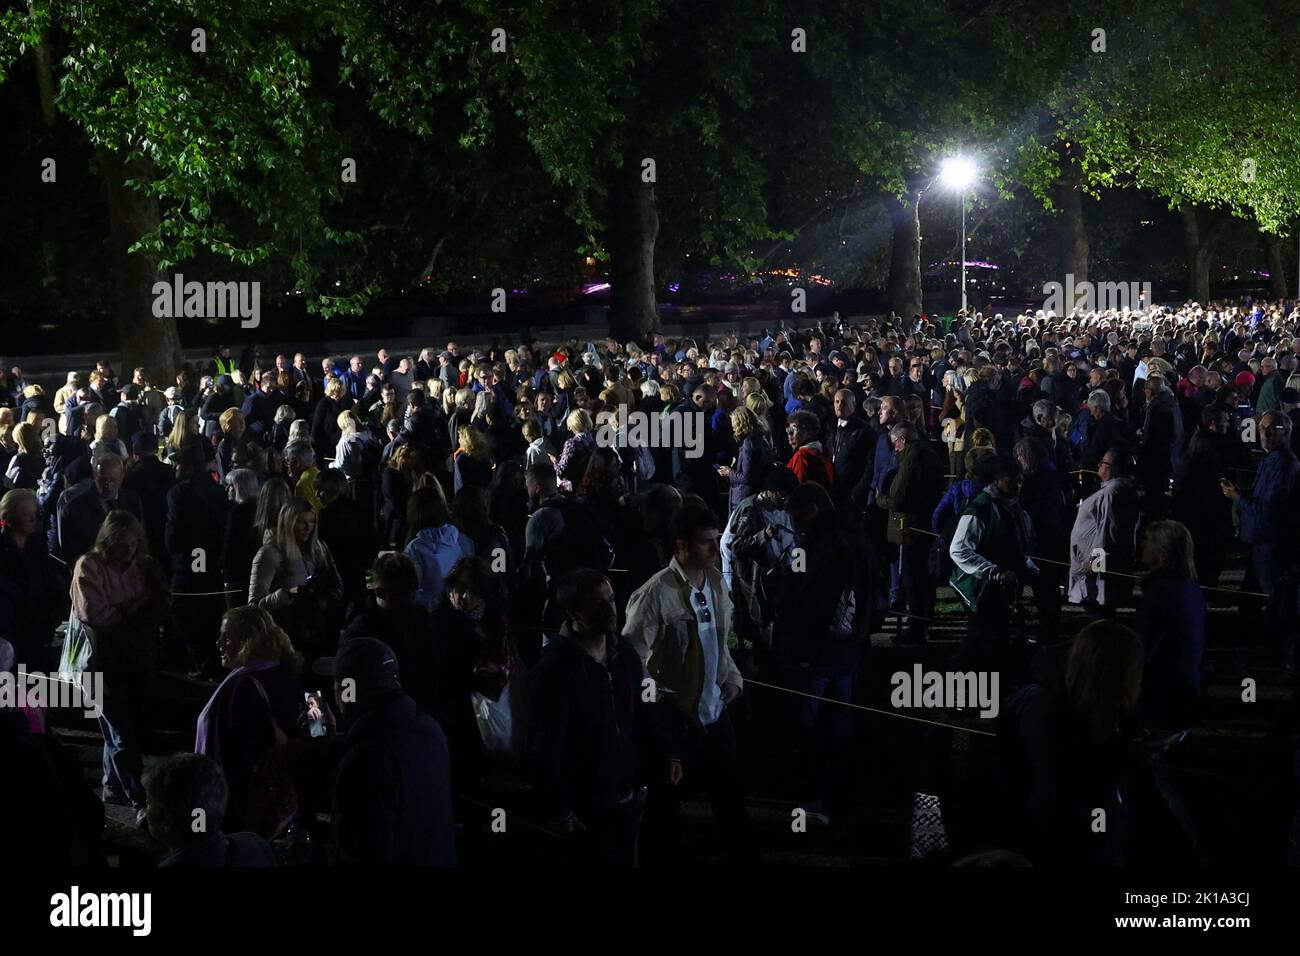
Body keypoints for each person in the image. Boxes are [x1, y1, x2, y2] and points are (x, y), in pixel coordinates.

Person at [623, 503, 753, 864]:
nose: (714, 548)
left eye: (715, 540)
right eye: (705, 542)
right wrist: (659, 714)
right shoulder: (654, 596)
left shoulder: (715, 584)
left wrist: (732, 679)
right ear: (681, 546)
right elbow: (633, 663)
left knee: (731, 802)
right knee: (664, 811)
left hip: (715, 713)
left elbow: (720, 644)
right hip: (676, 721)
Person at [529, 568, 676, 865]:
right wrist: (558, 808)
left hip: (626, 794)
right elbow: (545, 745)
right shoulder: (555, 670)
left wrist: (668, 752)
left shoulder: (624, 655)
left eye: (610, 599)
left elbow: (644, 710)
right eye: (597, 603)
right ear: (573, 611)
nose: (610, 609)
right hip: (585, 804)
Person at [774, 481, 880, 821]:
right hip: (848, 650)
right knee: (840, 725)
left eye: (797, 517)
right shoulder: (859, 540)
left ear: (811, 510)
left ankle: (812, 798)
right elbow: (877, 592)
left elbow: (793, 591)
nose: (795, 524)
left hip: (815, 651)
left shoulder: (812, 545)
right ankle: (843, 797)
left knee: (808, 725)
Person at [1002, 620, 1144, 865]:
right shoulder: (1048, 714)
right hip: (1067, 842)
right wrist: (1101, 837)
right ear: (1110, 671)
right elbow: (1065, 793)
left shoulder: (1093, 703)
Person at [313, 638, 457, 866]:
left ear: (348, 689)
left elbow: (362, 852)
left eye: (337, 682)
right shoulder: (429, 728)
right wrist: (333, 742)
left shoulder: (365, 758)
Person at [70, 510, 170, 821]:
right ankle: (139, 800)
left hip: (137, 660)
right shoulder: (89, 565)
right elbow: (96, 615)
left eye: (132, 545)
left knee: (122, 728)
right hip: (101, 662)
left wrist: (126, 613)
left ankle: (112, 785)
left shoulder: (145, 565)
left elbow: (161, 605)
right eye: (120, 546)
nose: (127, 552)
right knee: (120, 731)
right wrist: (136, 613)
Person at [195, 606, 305, 838]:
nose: (219, 643)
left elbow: (235, 755)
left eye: (226, 637)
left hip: (243, 805)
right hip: (282, 796)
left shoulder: (243, 687)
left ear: (248, 641)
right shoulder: (284, 671)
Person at [948, 456, 1038, 671]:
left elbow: (1015, 545)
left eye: (1020, 481)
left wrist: (1026, 565)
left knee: (994, 638)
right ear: (997, 480)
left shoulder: (1012, 508)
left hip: (999, 586)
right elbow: (959, 549)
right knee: (980, 638)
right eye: (1012, 481)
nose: (1017, 486)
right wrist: (994, 572)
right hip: (979, 587)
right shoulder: (980, 509)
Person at [249, 497, 344, 659]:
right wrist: (286, 594)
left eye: (312, 522)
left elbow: (336, 585)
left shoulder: (318, 548)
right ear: (287, 522)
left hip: (318, 630)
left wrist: (322, 600)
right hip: (287, 637)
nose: (308, 527)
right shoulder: (270, 553)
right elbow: (254, 606)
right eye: (301, 522)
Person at [165, 443, 231, 675]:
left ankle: (199, 662)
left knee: (185, 610)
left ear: (188, 466)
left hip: (187, 563)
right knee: (209, 613)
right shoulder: (216, 489)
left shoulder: (179, 492)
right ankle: (212, 662)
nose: (175, 467)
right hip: (210, 563)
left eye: (178, 463)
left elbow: (173, 534)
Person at [1135, 521, 1205, 730]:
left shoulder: (1161, 592)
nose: (1142, 545)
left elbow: (1146, 640)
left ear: (1162, 553)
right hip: (1187, 683)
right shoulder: (1192, 589)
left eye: (1148, 541)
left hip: (1163, 686)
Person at [879, 422, 946, 644]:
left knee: (913, 576)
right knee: (925, 577)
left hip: (912, 524)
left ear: (903, 440)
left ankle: (915, 626)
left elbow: (898, 497)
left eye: (895, 444)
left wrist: (880, 498)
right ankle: (927, 621)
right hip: (930, 522)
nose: (894, 449)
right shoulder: (932, 455)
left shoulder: (910, 458)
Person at [1221, 410, 1300, 595]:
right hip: (1258, 540)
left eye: (1273, 429)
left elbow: (1268, 511)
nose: (1266, 433)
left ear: (1286, 432)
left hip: (1269, 543)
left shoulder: (1285, 466)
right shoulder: (1269, 458)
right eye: (1263, 428)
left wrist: (1237, 498)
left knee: (1272, 596)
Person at [1068, 446, 1140, 619]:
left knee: (1098, 609)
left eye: (1104, 462)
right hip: (1094, 564)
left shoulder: (1113, 491)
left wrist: (1095, 564)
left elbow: (1109, 532)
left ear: (1114, 468)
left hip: (1096, 568)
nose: (1099, 465)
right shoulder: (1114, 489)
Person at [0, 488, 62, 670]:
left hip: (39, 624)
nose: (33, 519)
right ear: (10, 517)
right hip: (11, 628)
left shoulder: (37, 543)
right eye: (25, 514)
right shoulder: (3, 549)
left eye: (34, 513)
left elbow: (49, 578)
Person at [56, 449, 144, 566]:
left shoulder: (132, 501)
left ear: (122, 477)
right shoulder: (75, 508)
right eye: (103, 480)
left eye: (113, 480)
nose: (107, 485)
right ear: (95, 476)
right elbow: (70, 550)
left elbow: (140, 537)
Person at [404, 483, 475, 612]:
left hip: (427, 617)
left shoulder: (414, 548)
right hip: (460, 612)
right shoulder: (464, 541)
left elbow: (409, 591)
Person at [717, 405, 771, 511]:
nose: (732, 426)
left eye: (734, 422)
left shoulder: (748, 443)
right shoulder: (760, 438)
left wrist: (729, 472)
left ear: (740, 423)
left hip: (743, 497)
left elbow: (747, 476)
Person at [784, 409, 832, 488]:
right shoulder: (822, 450)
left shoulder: (801, 456)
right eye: (788, 430)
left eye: (793, 430)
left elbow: (797, 488)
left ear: (808, 432)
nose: (789, 434)